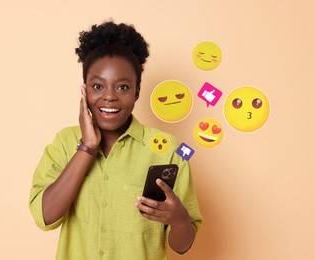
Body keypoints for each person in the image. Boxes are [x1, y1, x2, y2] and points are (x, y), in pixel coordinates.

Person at [29, 21, 203, 259]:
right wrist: (87, 148)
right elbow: (45, 217)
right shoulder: (64, 142)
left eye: (122, 87)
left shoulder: (168, 150)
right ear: (84, 91)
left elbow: (182, 245)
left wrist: (179, 219)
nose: (109, 96)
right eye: (98, 86)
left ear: (137, 92)